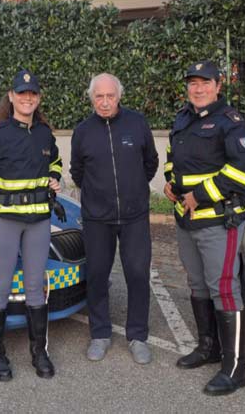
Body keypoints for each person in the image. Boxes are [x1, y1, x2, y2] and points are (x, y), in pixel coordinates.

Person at [163, 60, 245, 396]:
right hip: (186, 218)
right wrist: (170, 183)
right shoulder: (183, 118)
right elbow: (174, 158)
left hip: (219, 219)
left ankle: (235, 368)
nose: (198, 88)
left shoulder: (229, 122)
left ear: (219, 85)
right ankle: (208, 347)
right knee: (197, 283)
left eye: (205, 82)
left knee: (224, 288)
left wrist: (199, 194)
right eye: (193, 83)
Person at [0, 69, 62, 382]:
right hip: (5, 223)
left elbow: (55, 161)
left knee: (35, 287)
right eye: (22, 93)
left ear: (38, 98)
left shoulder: (45, 133)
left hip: (38, 223)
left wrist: (56, 177)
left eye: (32, 93)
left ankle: (39, 352)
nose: (27, 98)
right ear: (11, 97)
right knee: (1, 288)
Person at [70, 73, 158, 365]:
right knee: (96, 275)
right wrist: (97, 196)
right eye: (99, 97)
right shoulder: (82, 131)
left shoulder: (137, 123)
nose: (105, 102)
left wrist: (133, 191)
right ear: (91, 98)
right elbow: (77, 171)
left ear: (119, 96)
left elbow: (151, 163)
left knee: (137, 274)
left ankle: (137, 336)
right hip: (97, 218)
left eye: (110, 96)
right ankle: (100, 333)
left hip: (134, 216)